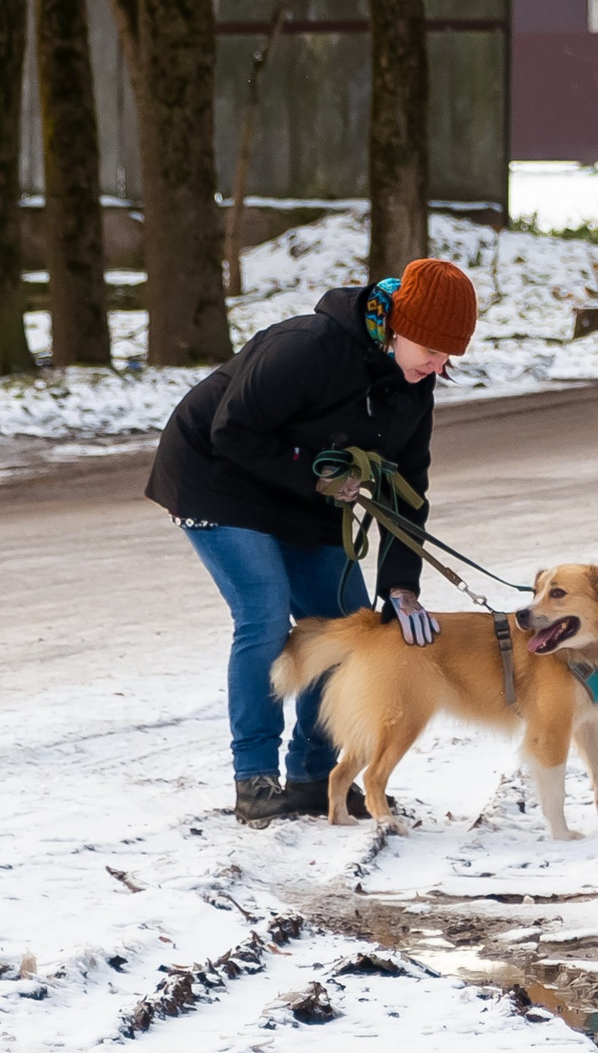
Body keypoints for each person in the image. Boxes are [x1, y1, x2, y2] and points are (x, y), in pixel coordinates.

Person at [145, 257, 478, 822]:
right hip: (217, 479)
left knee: (346, 624)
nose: (438, 365)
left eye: (450, 356)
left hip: (310, 496)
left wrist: (400, 588)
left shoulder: (413, 384)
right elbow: (232, 429)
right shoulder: (309, 345)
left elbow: (407, 492)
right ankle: (254, 777)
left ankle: (312, 774)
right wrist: (318, 478)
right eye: (432, 350)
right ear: (399, 325)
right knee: (265, 612)